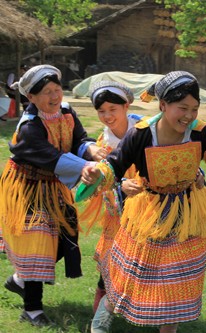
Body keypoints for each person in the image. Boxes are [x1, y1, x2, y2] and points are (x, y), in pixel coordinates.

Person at [78, 70, 206, 333]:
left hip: (187, 214)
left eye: (195, 108)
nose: (189, 115)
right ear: (163, 105)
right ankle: (101, 322)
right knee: (133, 275)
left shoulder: (199, 132)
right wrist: (96, 172)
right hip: (149, 214)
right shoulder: (141, 134)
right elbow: (115, 164)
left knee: (176, 282)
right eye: (182, 108)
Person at [0, 64, 107, 327]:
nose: (54, 96)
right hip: (27, 187)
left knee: (64, 237)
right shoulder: (29, 126)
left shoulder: (67, 111)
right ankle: (32, 308)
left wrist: (91, 150)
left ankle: (21, 280)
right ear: (31, 98)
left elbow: (79, 139)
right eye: (46, 92)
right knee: (36, 242)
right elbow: (50, 156)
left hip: (54, 184)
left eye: (57, 89)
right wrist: (86, 166)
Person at [81, 80, 145, 313]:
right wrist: (120, 185)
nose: (107, 116)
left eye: (113, 110)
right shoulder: (102, 144)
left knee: (143, 261)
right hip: (117, 213)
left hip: (149, 210)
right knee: (110, 260)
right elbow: (103, 181)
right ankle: (100, 318)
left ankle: (145, 312)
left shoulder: (145, 131)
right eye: (101, 111)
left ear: (127, 106)